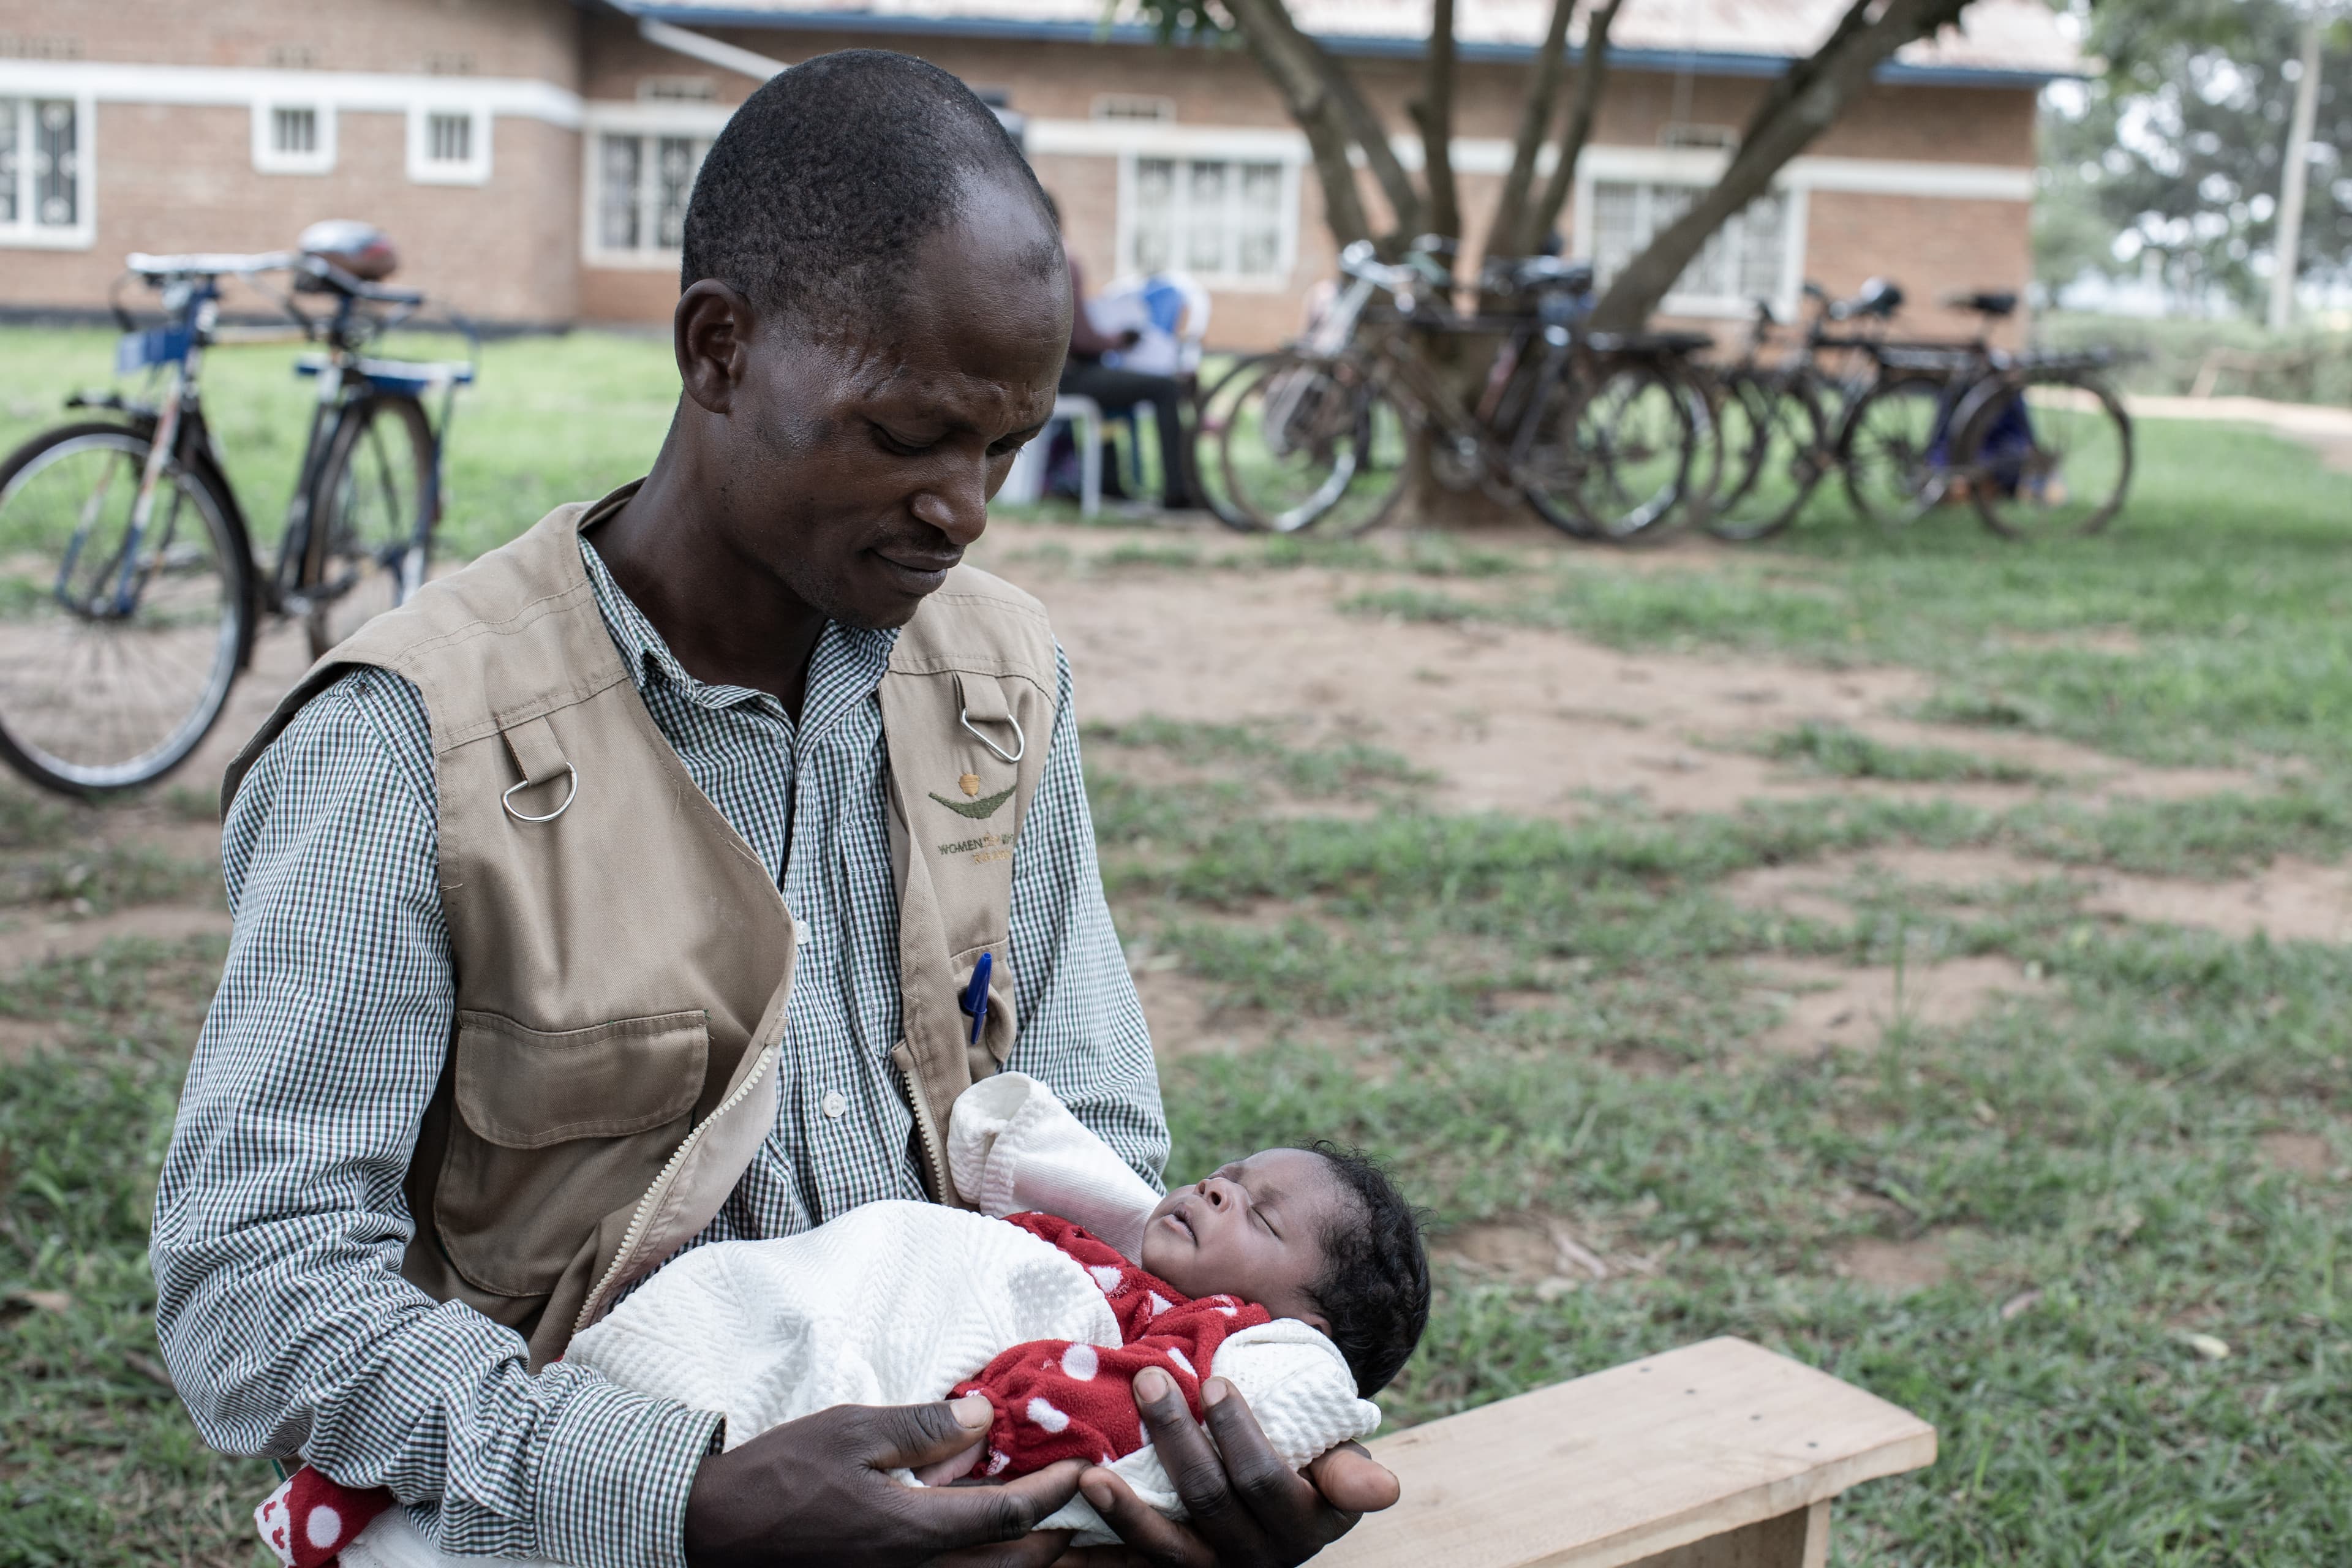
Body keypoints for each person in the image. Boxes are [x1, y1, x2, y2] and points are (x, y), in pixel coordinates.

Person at [151, 48, 1397, 1568]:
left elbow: (1099, 1139)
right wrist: (673, 1491)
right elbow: (252, 1279)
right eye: (906, 434)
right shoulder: (409, 742)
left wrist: (1166, 1460)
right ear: (719, 347)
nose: (963, 507)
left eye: (1001, 445)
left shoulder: (1000, 676)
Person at [256, 1074, 1431, 1568]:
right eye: (1230, 1171)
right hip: (781, 1328)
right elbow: (1019, 1142)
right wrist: (675, 1494)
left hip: (911, 1430)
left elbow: (1261, 1407)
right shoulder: (1107, 1255)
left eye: (1263, 1219)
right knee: (700, 1376)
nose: (1218, 1187)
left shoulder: (1209, 1351)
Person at [1049, 194, 1200, 511]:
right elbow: (1082, 341)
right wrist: (1119, 339)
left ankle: (1110, 481)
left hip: (1045, 376)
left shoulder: (1019, 256)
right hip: (1071, 377)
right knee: (1166, 388)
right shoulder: (1065, 258)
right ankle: (1179, 489)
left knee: (1112, 391)